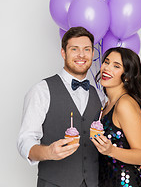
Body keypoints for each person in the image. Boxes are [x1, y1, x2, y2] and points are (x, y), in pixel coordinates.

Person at [17, 27, 103, 187]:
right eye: (74, 49)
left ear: (92, 54)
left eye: (87, 49)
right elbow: (25, 141)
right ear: (63, 53)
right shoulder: (41, 90)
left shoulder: (100, 95)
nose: (81, 55)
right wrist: (48, 152)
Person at [90, 47, 141, 187]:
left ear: (127, 75)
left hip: (126, 182)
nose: (107, 68)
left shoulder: (125, 104)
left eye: (116, 66)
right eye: (106, 62)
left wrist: (111, 150)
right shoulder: (106, 104)